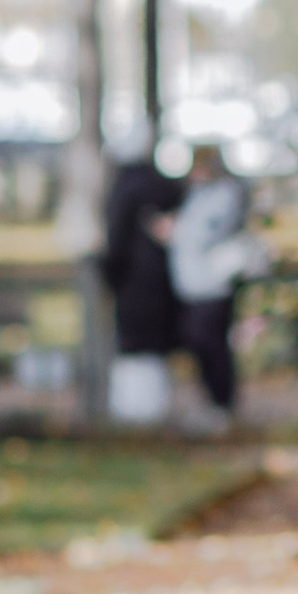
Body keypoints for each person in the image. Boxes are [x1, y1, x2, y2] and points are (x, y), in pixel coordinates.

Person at [168, 142, 262, 425]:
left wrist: (176, 231)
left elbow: (204, 232)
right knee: (199, 345)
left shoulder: (226, 194)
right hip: (193, 283)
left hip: (214, 282)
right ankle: (212, 402)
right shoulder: (199, 195)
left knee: (212, 345)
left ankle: (223, 404)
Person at [100, 139, 183, 425]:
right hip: (163, 282)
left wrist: (110, 273)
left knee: (134, 347)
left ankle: (134, 409)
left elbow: (116, 240)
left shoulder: (124, 189)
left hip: (132, 283)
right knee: (155, 347)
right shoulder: (165, 186)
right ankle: (153, 405)